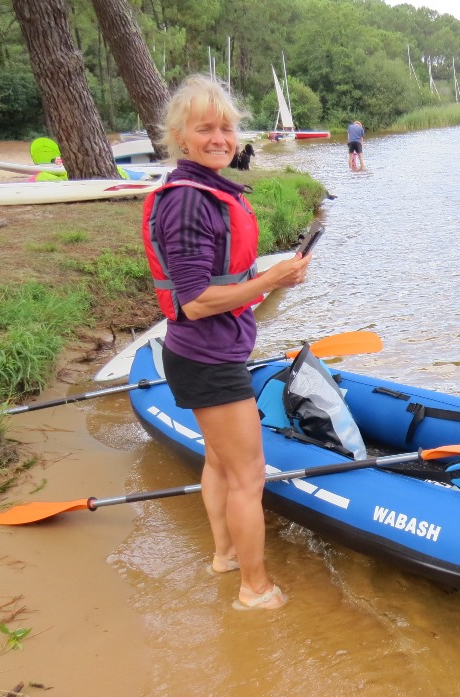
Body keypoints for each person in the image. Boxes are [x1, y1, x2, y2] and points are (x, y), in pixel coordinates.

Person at [143, 74, 312, 611]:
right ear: (180, 136)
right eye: (206, 129)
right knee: (248, 477)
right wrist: (271, 281)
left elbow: (216, 287)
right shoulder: (191, 202)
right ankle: (254, 591)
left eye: (227, 128)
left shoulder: (208, 192)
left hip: (204, 354)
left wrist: (260, 284)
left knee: (219, 463)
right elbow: (194, 301)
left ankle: (224, 556)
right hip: (208, 358)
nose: (220, 138)